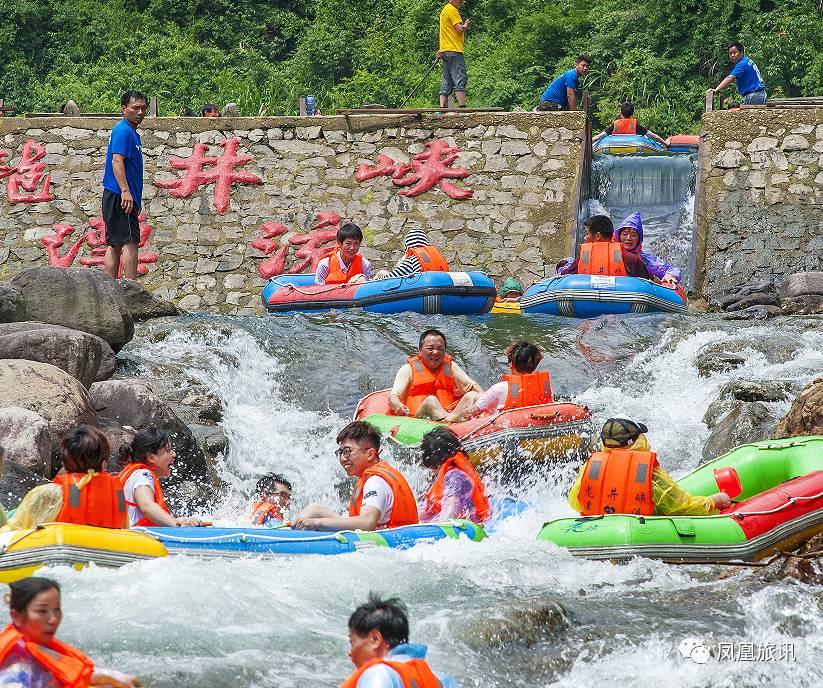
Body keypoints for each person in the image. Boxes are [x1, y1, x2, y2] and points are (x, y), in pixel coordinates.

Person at [568, 418, 732, 516]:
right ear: (635, 440)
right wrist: (713, 501)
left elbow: (575, 502)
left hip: (598, 531)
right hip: (641, 532)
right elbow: (680, 507)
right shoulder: (648, 473)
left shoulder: (591, 466)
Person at [0, 577, 140, 687]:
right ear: (16, 616)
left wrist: (112, 676)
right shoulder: (16, 669)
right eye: (42, 611)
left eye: (57, 609)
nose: (53, 619)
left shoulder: (35, 646)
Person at [293, 421, 417, 532]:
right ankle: (292, 531)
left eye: (347, 452)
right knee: (315, 509)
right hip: (374, 534)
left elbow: (367, 522)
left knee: (315, 518)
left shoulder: (375, 481)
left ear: (370, 454)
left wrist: (316, 523)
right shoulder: (369, 478)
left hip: (390, 542)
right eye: (340, 452)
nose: (342, 458)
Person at [6, 426, 128, 531]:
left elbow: (11, 534)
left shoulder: (50, 494)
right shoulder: (119, 498)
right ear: (104, 463)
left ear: (64, 462)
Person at [341, 593, 457, 688]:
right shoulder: (441, 680)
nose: (350, 653)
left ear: (375, 639)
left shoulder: (377, 674)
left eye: (352, 642)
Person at [388, 329, 482, 423]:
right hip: (418, 419)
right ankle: (450, 423)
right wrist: (398, 405)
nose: (436, 352)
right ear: (420, 350)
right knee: (431, 401)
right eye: (430, 348)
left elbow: (472, 387)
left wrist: (486, 398)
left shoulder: (450, 367)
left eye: (440, 349)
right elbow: (393, 397)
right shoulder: (407, 369)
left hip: (449, 414)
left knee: (472, 395)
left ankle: (453, 421)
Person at [101, 90, 147, 281]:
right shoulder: (123, 131)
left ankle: (110, 288)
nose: (140, 112)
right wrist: (126, 192)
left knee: (116, 244)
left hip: (120, 195)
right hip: (120, 195)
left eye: (143, 108)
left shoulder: (131, 133)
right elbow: (117, 161)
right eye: (135, 108)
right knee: (130, 242)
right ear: (123, 109)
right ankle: (131, 288)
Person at [118, 427, 203, 528]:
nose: (174, 454)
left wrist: (179, 521)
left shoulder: (134, 474)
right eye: (169, 450)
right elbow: (146, 506)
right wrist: (176, 525)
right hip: (133, 539)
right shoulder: (142, 475)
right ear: (151, 457)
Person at [465, 340, 552, 419]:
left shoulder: (500, 388)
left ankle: (452, 417)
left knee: (471, 397)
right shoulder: (545, 387)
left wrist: (454, 418)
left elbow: (471, 412)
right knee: (474, 396)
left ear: (511, 364)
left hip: (504, 426)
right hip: (535, 422)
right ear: (534, 365)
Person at [418, 428, 490, 523]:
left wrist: (439, 526)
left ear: (433, 463)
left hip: (469, 527)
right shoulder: (452, 472)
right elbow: (426, 508)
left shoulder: (455, 477)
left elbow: (452, 507)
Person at [556, 215, 652, 279]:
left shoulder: (583, 258)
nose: (585, 238)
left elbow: (562, 277)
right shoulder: (629, 258)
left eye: (587, 233)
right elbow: (650, 281)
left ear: (597, 236)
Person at [612, 212, 681, 287]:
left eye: (633, 235)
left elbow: (672, 270)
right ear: (618, 236)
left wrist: (670, 275)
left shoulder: (645, 259)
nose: (628, 238)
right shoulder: (614, 254)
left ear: (639, 239)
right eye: (624, 234)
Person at [374, 228, 449, 280]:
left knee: (381, 273)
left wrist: (375, 280)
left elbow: (391, 278)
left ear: (408, 247)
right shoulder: (437, 258)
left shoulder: (411, 261)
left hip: (421, 296)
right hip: (440, 293)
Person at [708, 42, 767, 106]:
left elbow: (730, 78)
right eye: (730, 53)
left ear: (741, 53)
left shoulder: (742, 64)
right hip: (760, 94)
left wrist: (716, 90)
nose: (732, 55)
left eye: (735, 52)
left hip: (753, 96)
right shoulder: (747, 61)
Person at [437, 0, 471, 108]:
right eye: (459, 1)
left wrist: (442, 49)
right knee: (460, 76)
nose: (461, 2)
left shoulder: (444, 10)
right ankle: (462, 107)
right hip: (454, 50)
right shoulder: (452, 10)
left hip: (446, 50)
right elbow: (460, 29)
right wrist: (466, 25)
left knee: (447, 79)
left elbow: (446, 32)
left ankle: (442, 108)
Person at [592, 102, 668, 148]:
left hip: (612, 145)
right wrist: (665, 143)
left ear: (620, 113)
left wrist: (587, 144)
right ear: (632, 114)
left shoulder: (615, 125)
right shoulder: (636, 125)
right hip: (635, 145)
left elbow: (598, 137)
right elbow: (653, 136)